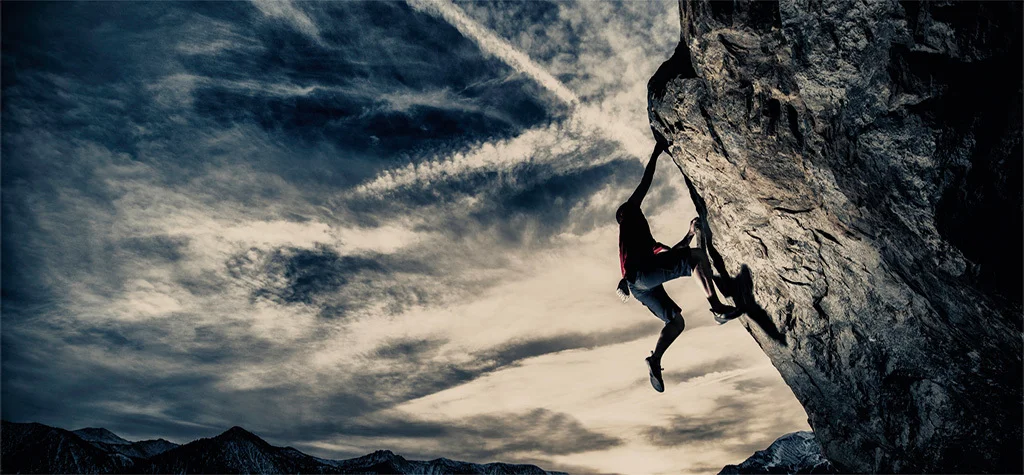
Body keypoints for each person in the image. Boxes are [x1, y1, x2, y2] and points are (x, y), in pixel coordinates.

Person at [615, 141, 743, 393]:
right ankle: (716, 308)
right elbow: (645, 183)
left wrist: (687, 234)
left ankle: (655, 359)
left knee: (676, 322)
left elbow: (670, 255)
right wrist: (656, 151)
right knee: (695, 258)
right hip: (640, 277)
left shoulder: (641, 242)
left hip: (640, 285)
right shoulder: (630, 213)